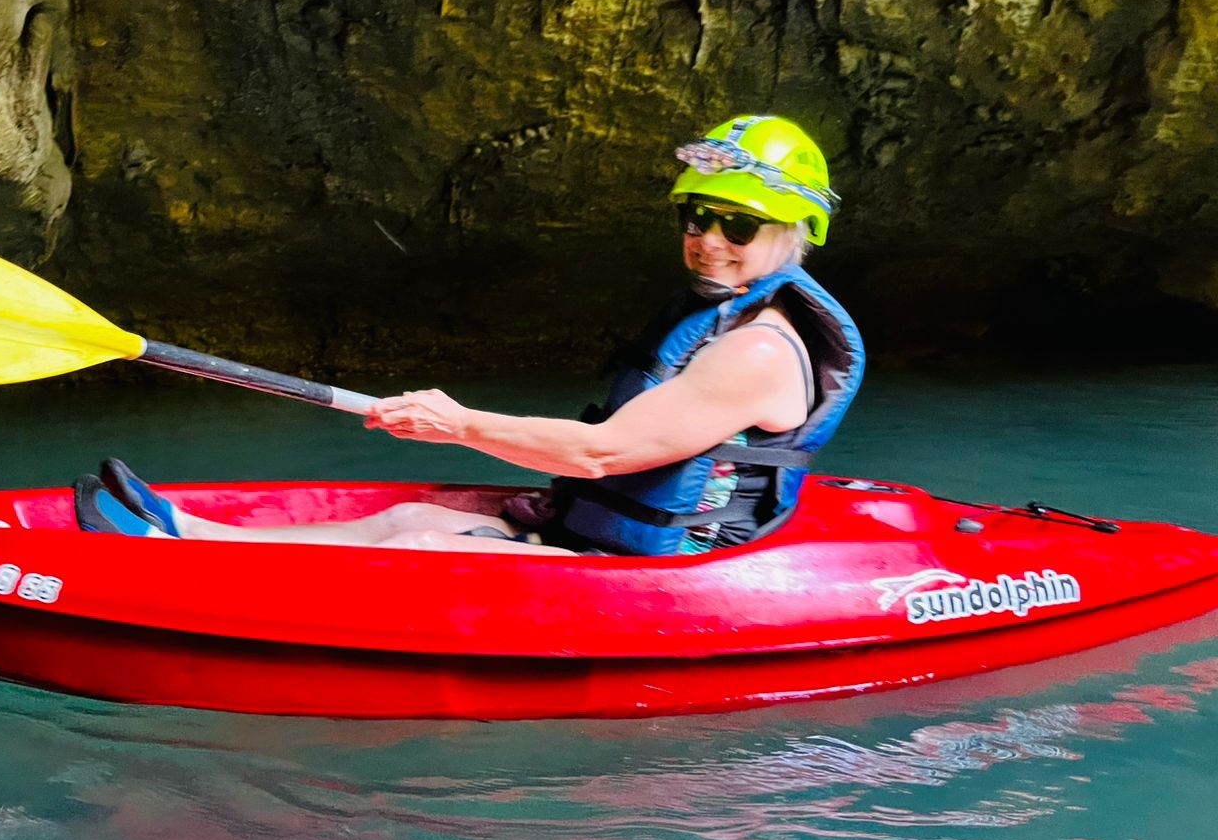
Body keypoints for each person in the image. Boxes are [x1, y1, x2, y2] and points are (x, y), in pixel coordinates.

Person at [77, 115, 865, 556]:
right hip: (599, 525)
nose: (708, 239)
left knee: (419, 549)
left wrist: (456, 424)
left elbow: (604, 453)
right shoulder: (721, 316)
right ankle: (190, 537)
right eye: (697, 216)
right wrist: (456, 437)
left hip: (655, 564)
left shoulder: (758, 348)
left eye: (738, 223)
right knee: (409, 520)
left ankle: (181, 557)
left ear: (798, 229)